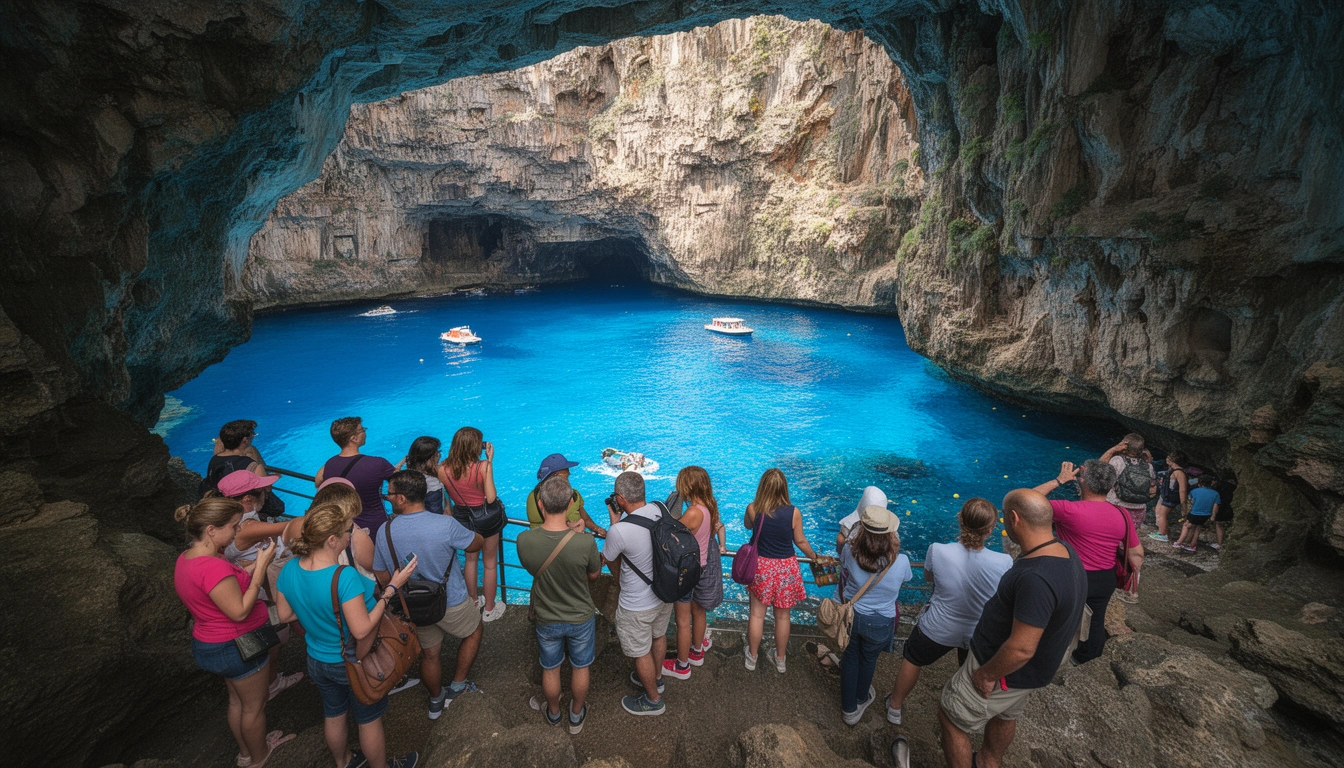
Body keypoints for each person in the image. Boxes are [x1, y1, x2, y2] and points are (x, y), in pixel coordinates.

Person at [938, 489, 1086, 768]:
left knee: (951, 716)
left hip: (1002, 670)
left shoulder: (1036, 578)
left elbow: (1021, 648)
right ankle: (987, 761)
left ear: (1015, 519)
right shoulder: (1065, 551)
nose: (1004, 523)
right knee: (1005, 714)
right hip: (1027, 675)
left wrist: (986, 674)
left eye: (1005, 517)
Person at [273, 502, 420, 768]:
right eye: (347, 532)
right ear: (332, 540)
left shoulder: (290, 568)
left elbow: (284, 615)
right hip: (350, 662)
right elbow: (362, 629)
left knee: (334, 712)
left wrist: (315, 610)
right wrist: (392, 589)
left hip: (317, 658)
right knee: (368, 719)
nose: (351, 536)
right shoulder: (343, 577)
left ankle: (343, 762)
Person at [172, 497, 294, 768]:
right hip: (238, 645)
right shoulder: (212, 566)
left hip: (211, 642)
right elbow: (238, 610)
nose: (238, 531)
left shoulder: (188, 558)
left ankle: (246, 752)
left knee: (237, 702)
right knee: (254, 707)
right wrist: (261, 568)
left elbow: (224, 584)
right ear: (212, 530)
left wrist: (249, 568)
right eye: (233, 526)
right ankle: (260, 757)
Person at [885, 498, 1011, 725]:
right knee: (972, 674)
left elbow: (929, 578)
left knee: (913, 660)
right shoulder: (1003, 562)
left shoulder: (937, 550)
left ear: (960, 520)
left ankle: (894, 707)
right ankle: (967, 716)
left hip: (937, 626)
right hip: (976, 633)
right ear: (991, 530)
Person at [372, 470, 485, 720]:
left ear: (401, 499)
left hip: (412, 605)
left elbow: (380, 573)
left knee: (430, 653)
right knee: (474, 629)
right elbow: (475, 544)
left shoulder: (385, 530)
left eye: (389, 494)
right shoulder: (444, 524)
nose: (387, 498)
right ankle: (458, 685)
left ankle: (436, 700)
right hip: (450, 600)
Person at [517, 473, 603, 734]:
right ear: (569, 505)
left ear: (541, 504)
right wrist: (577, 533)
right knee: (580, 666)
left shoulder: (524, 540)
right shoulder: (585, 542)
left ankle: (553, 714)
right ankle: (576, 715)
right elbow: (594, 575)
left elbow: (533, 568)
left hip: (547, 616)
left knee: (551, 668)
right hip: (580, 616)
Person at [1034, 460, 1142, 663]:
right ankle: (1088, 661)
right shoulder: (1122, 514)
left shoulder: (1067, 510)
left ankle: (1048, 660)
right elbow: (1137, 553)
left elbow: (1024, 500)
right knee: (1095, 620)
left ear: (1082, 481)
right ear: (1111, 486)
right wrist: (1133, 587)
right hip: (1105, 579)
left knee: (1057, 619)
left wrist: (1059, 480)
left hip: (1072, 576)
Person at [216, 470, 304, 699]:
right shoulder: (246, 527)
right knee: (274, 637)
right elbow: (294, 525)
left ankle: (271, 680)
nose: (268, 492)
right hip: (261, 591)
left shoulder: (228, 520)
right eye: (263, 490)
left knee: (277, 634)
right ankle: (270, 684)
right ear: (247, 499)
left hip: (261, 589)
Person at [601, 471, 672, 716]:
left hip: (637, 603)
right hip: (664, 593)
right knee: (658, 635)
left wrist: (614, 524)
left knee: (640, 652)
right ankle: (658, 678)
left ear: (620, 499)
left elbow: (607, 559)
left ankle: (653, 700)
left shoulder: (619, 531)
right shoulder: (661, 508)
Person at [839, 506, 912, 725]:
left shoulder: (849, 553)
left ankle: (848, 709)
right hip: (881, 621)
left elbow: (844, 568)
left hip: (852, 615)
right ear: (891, 533)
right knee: (869, 659)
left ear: (861, 529)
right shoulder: (902, 561)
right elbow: (906, 579)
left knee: (850, 658)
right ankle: (862, 697)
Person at [743, 468, 820, 673]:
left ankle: (751, 656)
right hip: (786, 568)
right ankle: (781, 659)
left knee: (757, 615)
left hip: (762, 567)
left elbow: (747, 526)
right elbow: (800, 541)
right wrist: (815, 557)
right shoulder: (794, 512)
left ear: (762, 487)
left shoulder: (753, 508)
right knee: (783, 617)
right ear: (784, 488)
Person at [663, 466, 727, 681]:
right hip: (701, 567)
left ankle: (682, 666)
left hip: (687, 570)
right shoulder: (709, 506)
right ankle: (697, 652)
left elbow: (668, 534)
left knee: (682, 621)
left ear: (688, 486)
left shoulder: (693, 512)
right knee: (698, 612)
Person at [439, 426, 505, 622]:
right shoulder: (482, 466)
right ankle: (490, 609)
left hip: (461, 517)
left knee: (470, 560)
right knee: (490, 563)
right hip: (485, 518)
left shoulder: (442, 468)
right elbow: (491, 498)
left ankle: (474, 601)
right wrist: (490, 462)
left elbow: (446, 498)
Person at [313, 416, 397, 536]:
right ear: (354, 438)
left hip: (343, 529)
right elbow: (403, 483)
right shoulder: (378, 464)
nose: (364, 432)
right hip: (375, 527)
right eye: (362, 430)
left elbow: (318, 481)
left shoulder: (330, 463)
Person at [201, 420, 285, 519]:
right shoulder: (253, 465)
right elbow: (264, 494)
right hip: (245, 513)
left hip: (224, 509)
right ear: (245, 440)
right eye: (252, 434)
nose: (253, 436)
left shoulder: (214, 460)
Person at [525, 453, 605, 535]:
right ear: (556, 476)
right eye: (566, 475)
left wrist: (597, 529)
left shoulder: (532, 496)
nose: (568, 473)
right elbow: (584, 519)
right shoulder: (572, 495)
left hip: (541, 544)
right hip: (568, 544)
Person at [1100, 433, 1156, 534]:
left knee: (1110, 536)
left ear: (1124, 445)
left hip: (1117, 507)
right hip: (1139, 510)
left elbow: (1099, 470)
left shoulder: (1117, 461)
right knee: (1128, 539)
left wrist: (1113, 450)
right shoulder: (1148, 466)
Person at [1173, 476, 1222, 553]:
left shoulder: (1194, 491)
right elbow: (1215, 506)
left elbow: (1189, 502)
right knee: (1197, 528)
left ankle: (1179, 542)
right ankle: (1192, 545)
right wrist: (1213, 516)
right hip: (1206, 514)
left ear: (1199, 483)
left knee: (1186, 525)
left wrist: (1185, 511)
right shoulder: (1216, 493)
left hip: (1194, 512)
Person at [1149, 452, 1189, 543]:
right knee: (1158, 512)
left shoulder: (1179, 472)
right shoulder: (1172, 469)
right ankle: (1161, 531)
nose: (1167, 458)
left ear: (1174, 461)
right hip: (1165, 495)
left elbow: (1183, 490)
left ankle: (1163, 535)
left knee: (1162, 515)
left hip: (1171, 497)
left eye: (1169, 457)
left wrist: (1184, 506)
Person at [401, 436, 447, 515]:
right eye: (437, 452)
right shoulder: (433, 484)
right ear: (430, 458)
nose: (439, 455)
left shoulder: (406, 476)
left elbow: (395, 470)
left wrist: (407, 459)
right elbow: (436, 514)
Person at [837, 486, 888, 550]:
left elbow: (841, 542)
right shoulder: (890, 533)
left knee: (841, 538)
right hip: (879, 554)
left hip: (855, 555)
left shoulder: (848, 526)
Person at [1211, 477, 1236, 551]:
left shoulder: (1216, 489)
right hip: (1231, 507)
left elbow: (1216, 502)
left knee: (1218, 525)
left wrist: (1213, 514)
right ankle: (1226, 544)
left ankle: (1220, 544)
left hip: (1221, 508)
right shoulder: (1231, 486)